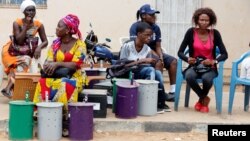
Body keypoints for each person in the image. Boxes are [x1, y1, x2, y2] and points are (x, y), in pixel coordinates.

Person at [177, 7, 228, 113]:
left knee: (207, 79)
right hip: (194, 66)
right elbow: (180, 52)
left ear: (211, 21)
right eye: (201, 20)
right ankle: (204, 99)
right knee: (189, 76)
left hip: (210, 68)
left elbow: (224, 54)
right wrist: (187, 59)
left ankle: (201, 100)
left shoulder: (215, 34)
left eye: (207, 20)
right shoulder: (191, 32)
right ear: (197, 20)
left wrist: (214, 61)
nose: (204, 22)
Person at [120, 22, 171, 112]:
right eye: (147, 35)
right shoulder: (127, 46)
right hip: (128, 72)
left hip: (141, 72)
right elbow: (121, 65)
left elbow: (147, 64)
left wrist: (156, 60)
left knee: (158, 73)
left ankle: (160, 102)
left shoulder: (146, 48)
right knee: (150, 70)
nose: (149, 38)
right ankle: (148, 103)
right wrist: (142, 60)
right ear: (139, 34)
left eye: (150, 36)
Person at [1, 0, 48, 98]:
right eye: (28, 10)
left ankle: (9, 88)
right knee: (25, 61)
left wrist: (39, 48)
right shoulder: (17, 23)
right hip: (12, 51)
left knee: (25, 61)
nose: (31, 13)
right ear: (23, 12)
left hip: (26, 50)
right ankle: (10, 88)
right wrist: (25, 27)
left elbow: (45, 41)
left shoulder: (38, 24)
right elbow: (19, 41)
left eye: (33, 10)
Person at [130, 4, 176, 102]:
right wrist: (158, 58)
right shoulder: (135, 27)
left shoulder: (156, 28)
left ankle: (173, 91)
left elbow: (158, 46)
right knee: (158, 62)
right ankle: (158, 93)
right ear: (143, 16)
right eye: (151, 15)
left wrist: (161, 56)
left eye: (155, 14)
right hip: (141, 52)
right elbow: (138, 44)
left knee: (173, 61)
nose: (154, 17)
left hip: (155, 51)